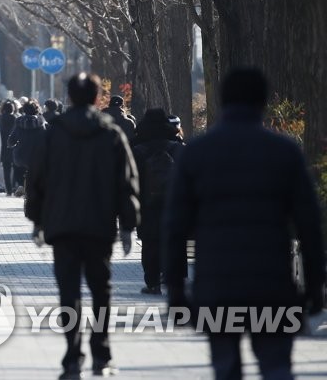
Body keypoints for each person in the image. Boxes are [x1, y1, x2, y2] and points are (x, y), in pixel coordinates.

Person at [164, 68, 325, 380]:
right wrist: (315, 284)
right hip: (272, 283)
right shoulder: (284, 152)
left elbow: (175, 226)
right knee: (277, 367)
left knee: (226, 368)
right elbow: (310, 225)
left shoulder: (197, 153)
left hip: (217, 285)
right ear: (263, 101)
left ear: (223, 100)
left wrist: (175, 288)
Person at [25, 73, 139, 379]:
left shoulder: (53, 134)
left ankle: (72, 357)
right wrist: (128, 224)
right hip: (100, 224)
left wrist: (36, 219)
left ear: (70, 97)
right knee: (101, 290)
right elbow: (126, 181)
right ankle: (101, 355)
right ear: (96, 97)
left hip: (62, 225)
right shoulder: (110, 133)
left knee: (69, 292)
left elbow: (36, 178)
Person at [130, 108, 184, 295]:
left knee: (150, 243)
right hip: (174, 203)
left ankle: (153, 282)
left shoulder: (137, 150)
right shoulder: (177, 147)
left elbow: (130, 181)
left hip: (147, 205)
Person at [7, 100, 48, 198]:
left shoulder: (19, 122)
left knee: (17, 167)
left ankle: (21, 184)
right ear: (37, 110)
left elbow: (12, 139)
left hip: (21, 156)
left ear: (24, 110)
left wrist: (10, 144)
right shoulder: (41, 123)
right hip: (37, 157)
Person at [0, 100, 17, 196]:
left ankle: (8, 190)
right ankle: (14, 187)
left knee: (6, 169)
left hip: (3, 146)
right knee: (16, 168)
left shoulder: (0, 119)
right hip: (14, 146)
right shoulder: (15, 118)